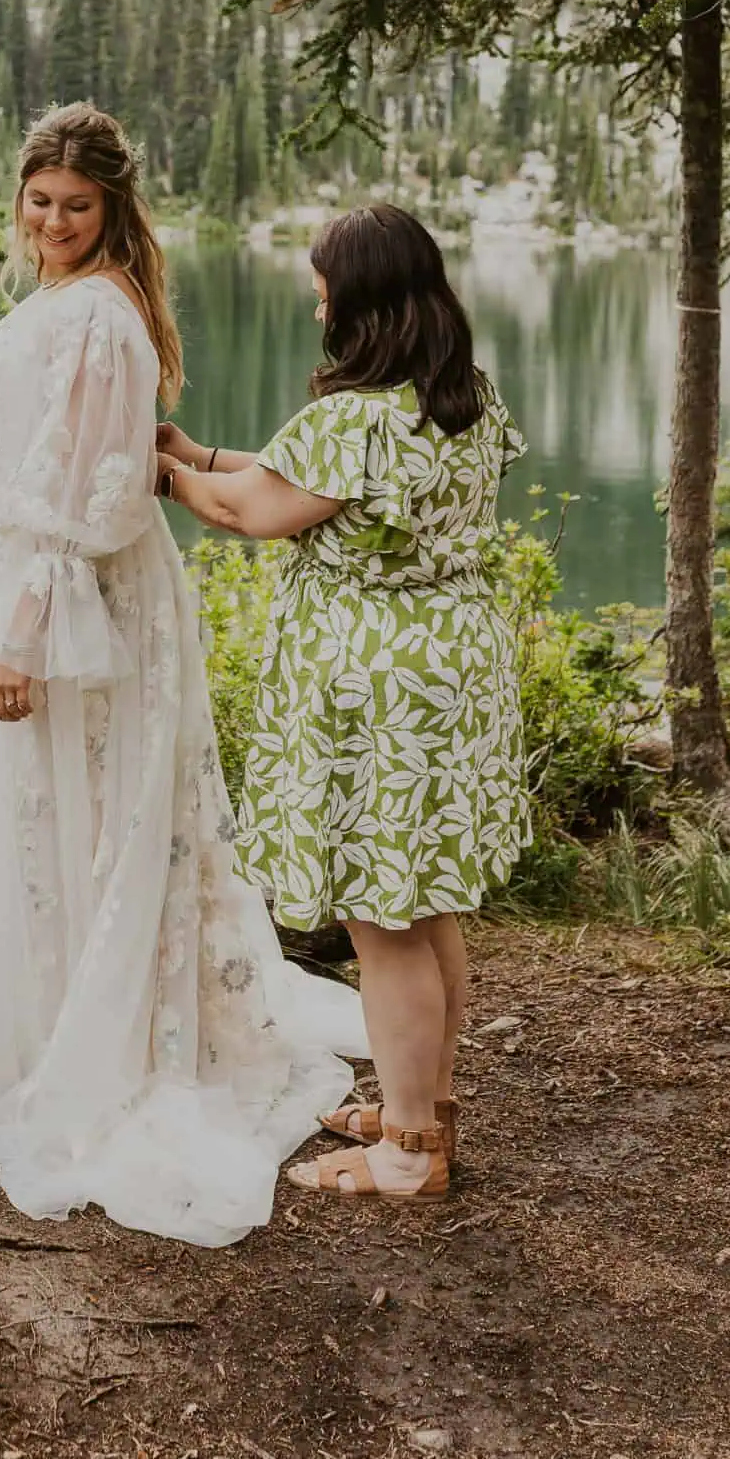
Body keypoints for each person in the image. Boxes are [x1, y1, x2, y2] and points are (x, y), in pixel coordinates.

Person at [0, 103, 366, 1248]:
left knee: (68, 803)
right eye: (40, 200)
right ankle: (20, 1017)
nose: (56, 221)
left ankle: (77, 1040)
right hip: (9, 583)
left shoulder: (105, 319)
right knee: (27, 809)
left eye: (78, 206)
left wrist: (23, 633)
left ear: (113, 207)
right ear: (18, 194)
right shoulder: (59, 300)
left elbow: (90, 493)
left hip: (63, 608)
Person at [156, 203, 530, 1201]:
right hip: (454, 678)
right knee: (424, 902)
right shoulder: (462, 401)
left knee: (384, 921)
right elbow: (287, 479)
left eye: (322, 275)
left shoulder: (352, 416)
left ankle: (407, 1152)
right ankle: (427, 1109)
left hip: (378, 699)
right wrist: (201, 453)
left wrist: (160, 473)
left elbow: (256, 509)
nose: (312, 291)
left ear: (357, 292)